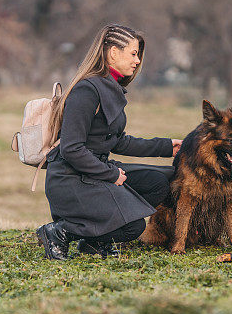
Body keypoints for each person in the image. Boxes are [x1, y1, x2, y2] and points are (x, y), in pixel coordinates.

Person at [36, 24, 182, 260]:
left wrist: (167, 146)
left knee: (159, 182)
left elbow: (118, 142)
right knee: (133, 226)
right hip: (71, 179)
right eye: (133, 53)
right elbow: (71, 148)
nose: (137, 61)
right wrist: (110, 174)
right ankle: (60, 231)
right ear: (113, 52)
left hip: (94, 171)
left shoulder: (109, 87)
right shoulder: (87, 90)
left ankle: (94, 242)